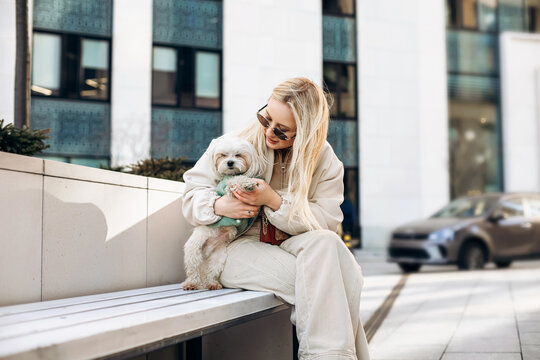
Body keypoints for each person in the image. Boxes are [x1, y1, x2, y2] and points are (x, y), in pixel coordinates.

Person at [182, 77, 370, 360]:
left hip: (295, 245)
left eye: (282, 131)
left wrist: (274, 201)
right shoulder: (234, 143)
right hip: (234, 248)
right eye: (266, 117)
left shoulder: (326, 161)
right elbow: (191, 195)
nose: (269, 131)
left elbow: (327, 221)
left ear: (305, 132)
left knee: (328, 245)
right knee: (340, 279)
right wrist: (220, 205)